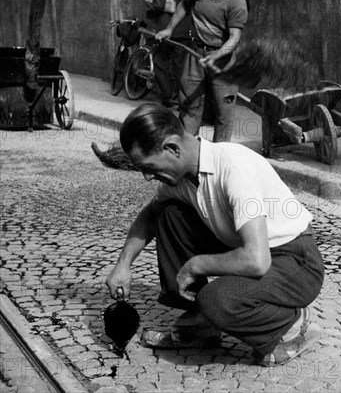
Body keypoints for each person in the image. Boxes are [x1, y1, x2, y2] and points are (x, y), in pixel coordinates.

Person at [105, 103, 324, 366]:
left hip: (296, 261)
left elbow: (257, 260)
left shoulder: (234, 167)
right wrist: (123, 265)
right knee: (168, 215)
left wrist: (197, 265)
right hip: (253, 249)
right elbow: (150, 216)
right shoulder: (182, 175)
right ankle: (201, 326)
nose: (147, 177)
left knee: (217, 300)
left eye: (148, 167)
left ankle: (293, 325)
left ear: (173, 149)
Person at [155, 0, 248, 142]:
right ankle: (187, 151)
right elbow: (184, 5)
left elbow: (234, 38)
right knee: (189, 107)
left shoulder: (236, 0)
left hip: (224, 60)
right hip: (195, 54)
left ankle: (219, 156)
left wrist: (215, 56)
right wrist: (169, 29)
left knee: (223, 114)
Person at [145, 0, 193, 108]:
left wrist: (149, 6)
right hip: (184, 29)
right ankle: (182, 99)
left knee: (159, 61)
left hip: (166, 28)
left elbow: (159, 4)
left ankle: (166, 96)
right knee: (180, 67)